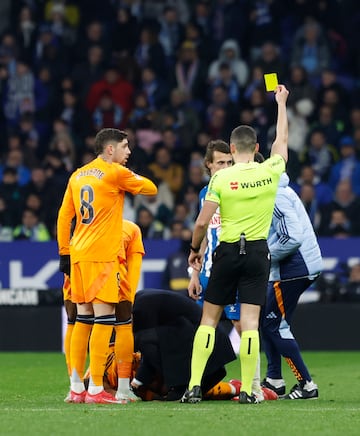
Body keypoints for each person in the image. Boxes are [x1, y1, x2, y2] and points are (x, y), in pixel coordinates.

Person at [182, 84, 289, 404]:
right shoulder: (269, 171)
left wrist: (193, 251)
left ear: (231, 147)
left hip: (227, 251)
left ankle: (194, 386)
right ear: (256, 146)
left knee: (209, 320)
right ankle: (248, 390)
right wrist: (281, 104)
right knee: (251, 323)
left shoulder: (220, 179)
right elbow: (281, 141)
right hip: (258, 252)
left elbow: (202, 222)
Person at [57, 128, 157, 404]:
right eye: (125, 147)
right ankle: (96, 389)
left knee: (81, 320)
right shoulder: (114, 172)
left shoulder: (77, 175)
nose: (128, 152)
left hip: (77, 254)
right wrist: (130, 176)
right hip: (102, 255)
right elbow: (151, 188)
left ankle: (76, 388)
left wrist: (64, 252)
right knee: (104, 319)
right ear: (109, 149)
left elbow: (65, 217)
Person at [188, 140, 269, 402]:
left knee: (241, 324)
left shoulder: (235, 186)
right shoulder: (206, 193)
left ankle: (253, 385)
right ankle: (200, 384)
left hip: (232, 261)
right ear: (209, 165)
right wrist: (194, 274)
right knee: (210, 324)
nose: (225, 166)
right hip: (212, 268)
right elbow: (205, 234)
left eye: (228, 162)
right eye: (219, 162)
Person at [261, 172, 322, 400]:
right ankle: (274, 379)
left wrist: (265, 255)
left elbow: (292, 237)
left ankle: (307, 385)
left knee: (275, 325)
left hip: (294, 269)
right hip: (294, 268)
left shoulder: (273, 195)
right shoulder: (278, 190)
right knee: (268, 320)